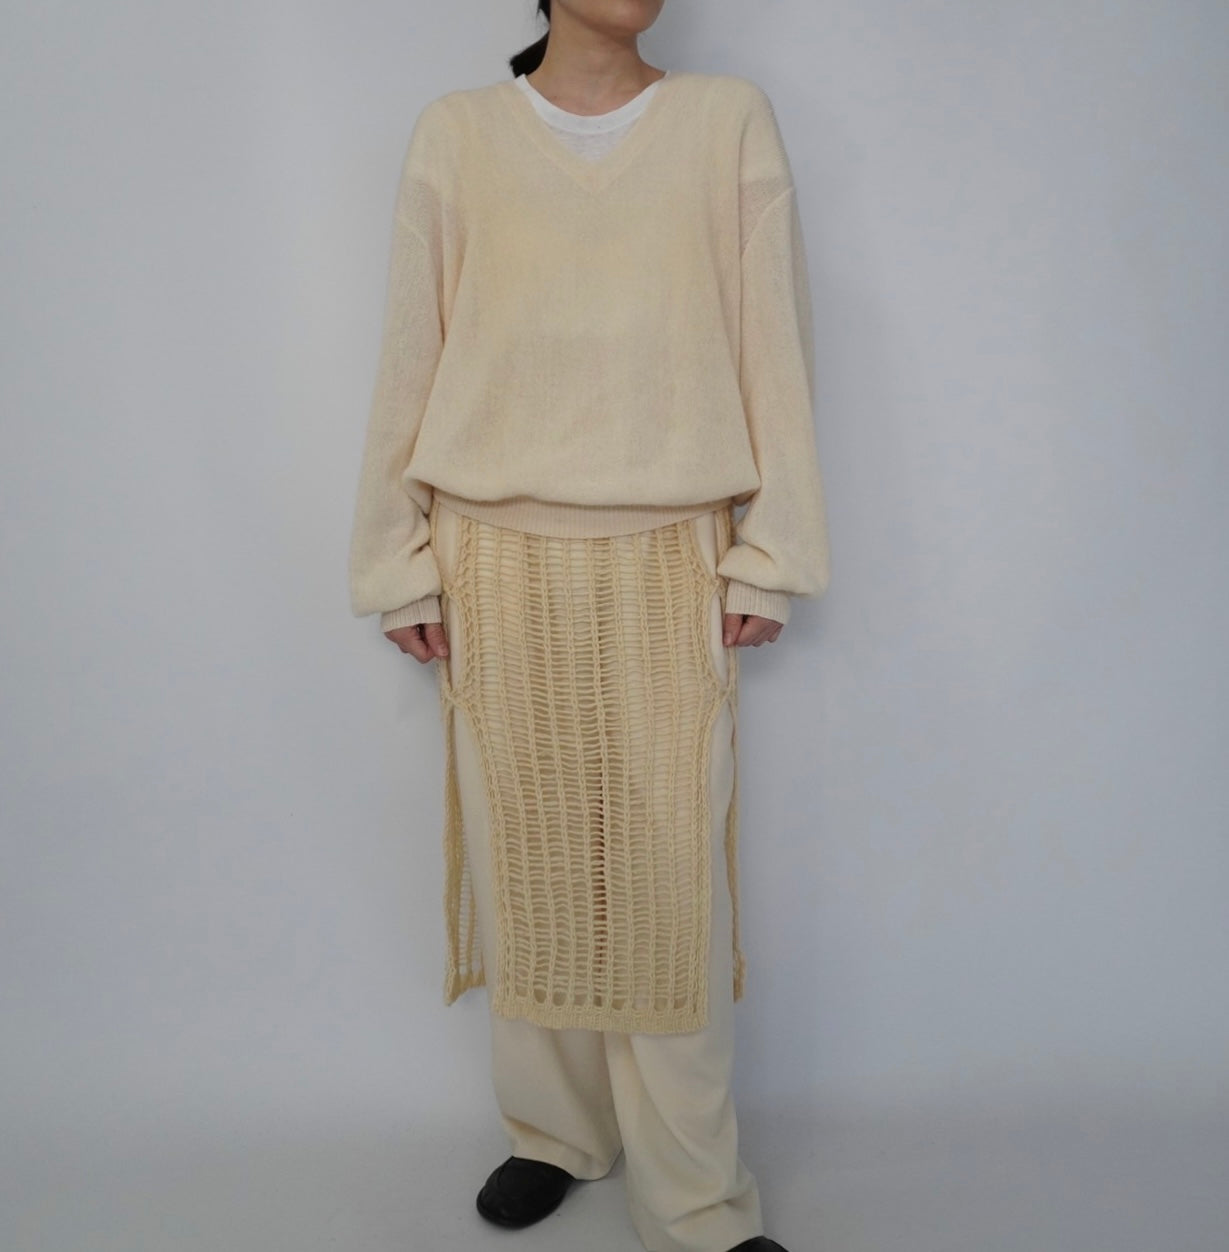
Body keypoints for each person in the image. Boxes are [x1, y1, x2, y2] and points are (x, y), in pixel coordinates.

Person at [348, 2, 831, 1249]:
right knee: (528, 865)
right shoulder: (458, 133)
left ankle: (694, 1197)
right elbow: (409, 350)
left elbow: (772, 338)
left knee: (669, 884)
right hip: (491, 553)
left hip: (670, 551)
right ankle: (554, 1132)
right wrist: (396, 560)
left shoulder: (724, 121)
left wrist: (772, 550)